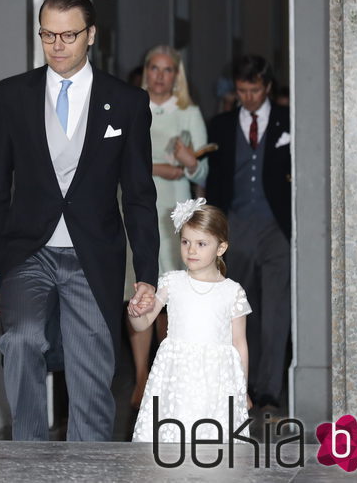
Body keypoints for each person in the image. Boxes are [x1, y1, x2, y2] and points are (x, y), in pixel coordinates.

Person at [0, 0, 159, 441]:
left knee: (92, 369)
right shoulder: (12, 95)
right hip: (27, 252)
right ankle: (29, 455)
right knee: (20, 339)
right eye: (47, 35)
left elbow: (138, 195)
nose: (57, 46)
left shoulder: (128, 102)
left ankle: (88, 467)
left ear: (91, 35)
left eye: (68, 35)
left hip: (93, 254)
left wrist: (147, 274)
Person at [205, 55, 291, 414]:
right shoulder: (221, 125)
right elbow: (212, 177)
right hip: (235, 224)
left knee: (276, 310)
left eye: (255, 90)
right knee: (244, 309)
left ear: (267, 87)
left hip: (276, 226)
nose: (249, 97)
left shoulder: (288, 121)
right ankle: (247, 383)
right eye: (243, 91)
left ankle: (271, 389)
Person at [127, 45, 210, 408]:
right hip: (135, 205)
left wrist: (189, 162)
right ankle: (142, 377)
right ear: (146, 71)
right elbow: (116, 161)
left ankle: (169, 375)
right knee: (140, 294)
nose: (160, 75)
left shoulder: (187, 111)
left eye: (167, 70)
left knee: (173, 297)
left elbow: (201, 170)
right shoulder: (130, 103)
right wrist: (159, 168)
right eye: (154, 68)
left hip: (174, 211)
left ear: (177, 75)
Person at [130, 199, 251, 442]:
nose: (191, 250)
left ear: (220, 248)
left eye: (201, 243)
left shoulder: (232, 291)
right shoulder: (171, 282)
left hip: (216, 383)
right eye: (185, 242)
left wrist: (242, 389)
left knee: (211, 440)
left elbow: (240, 344)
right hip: (176, 381)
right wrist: (136, 313)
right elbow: (143, 325)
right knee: (174, 435)